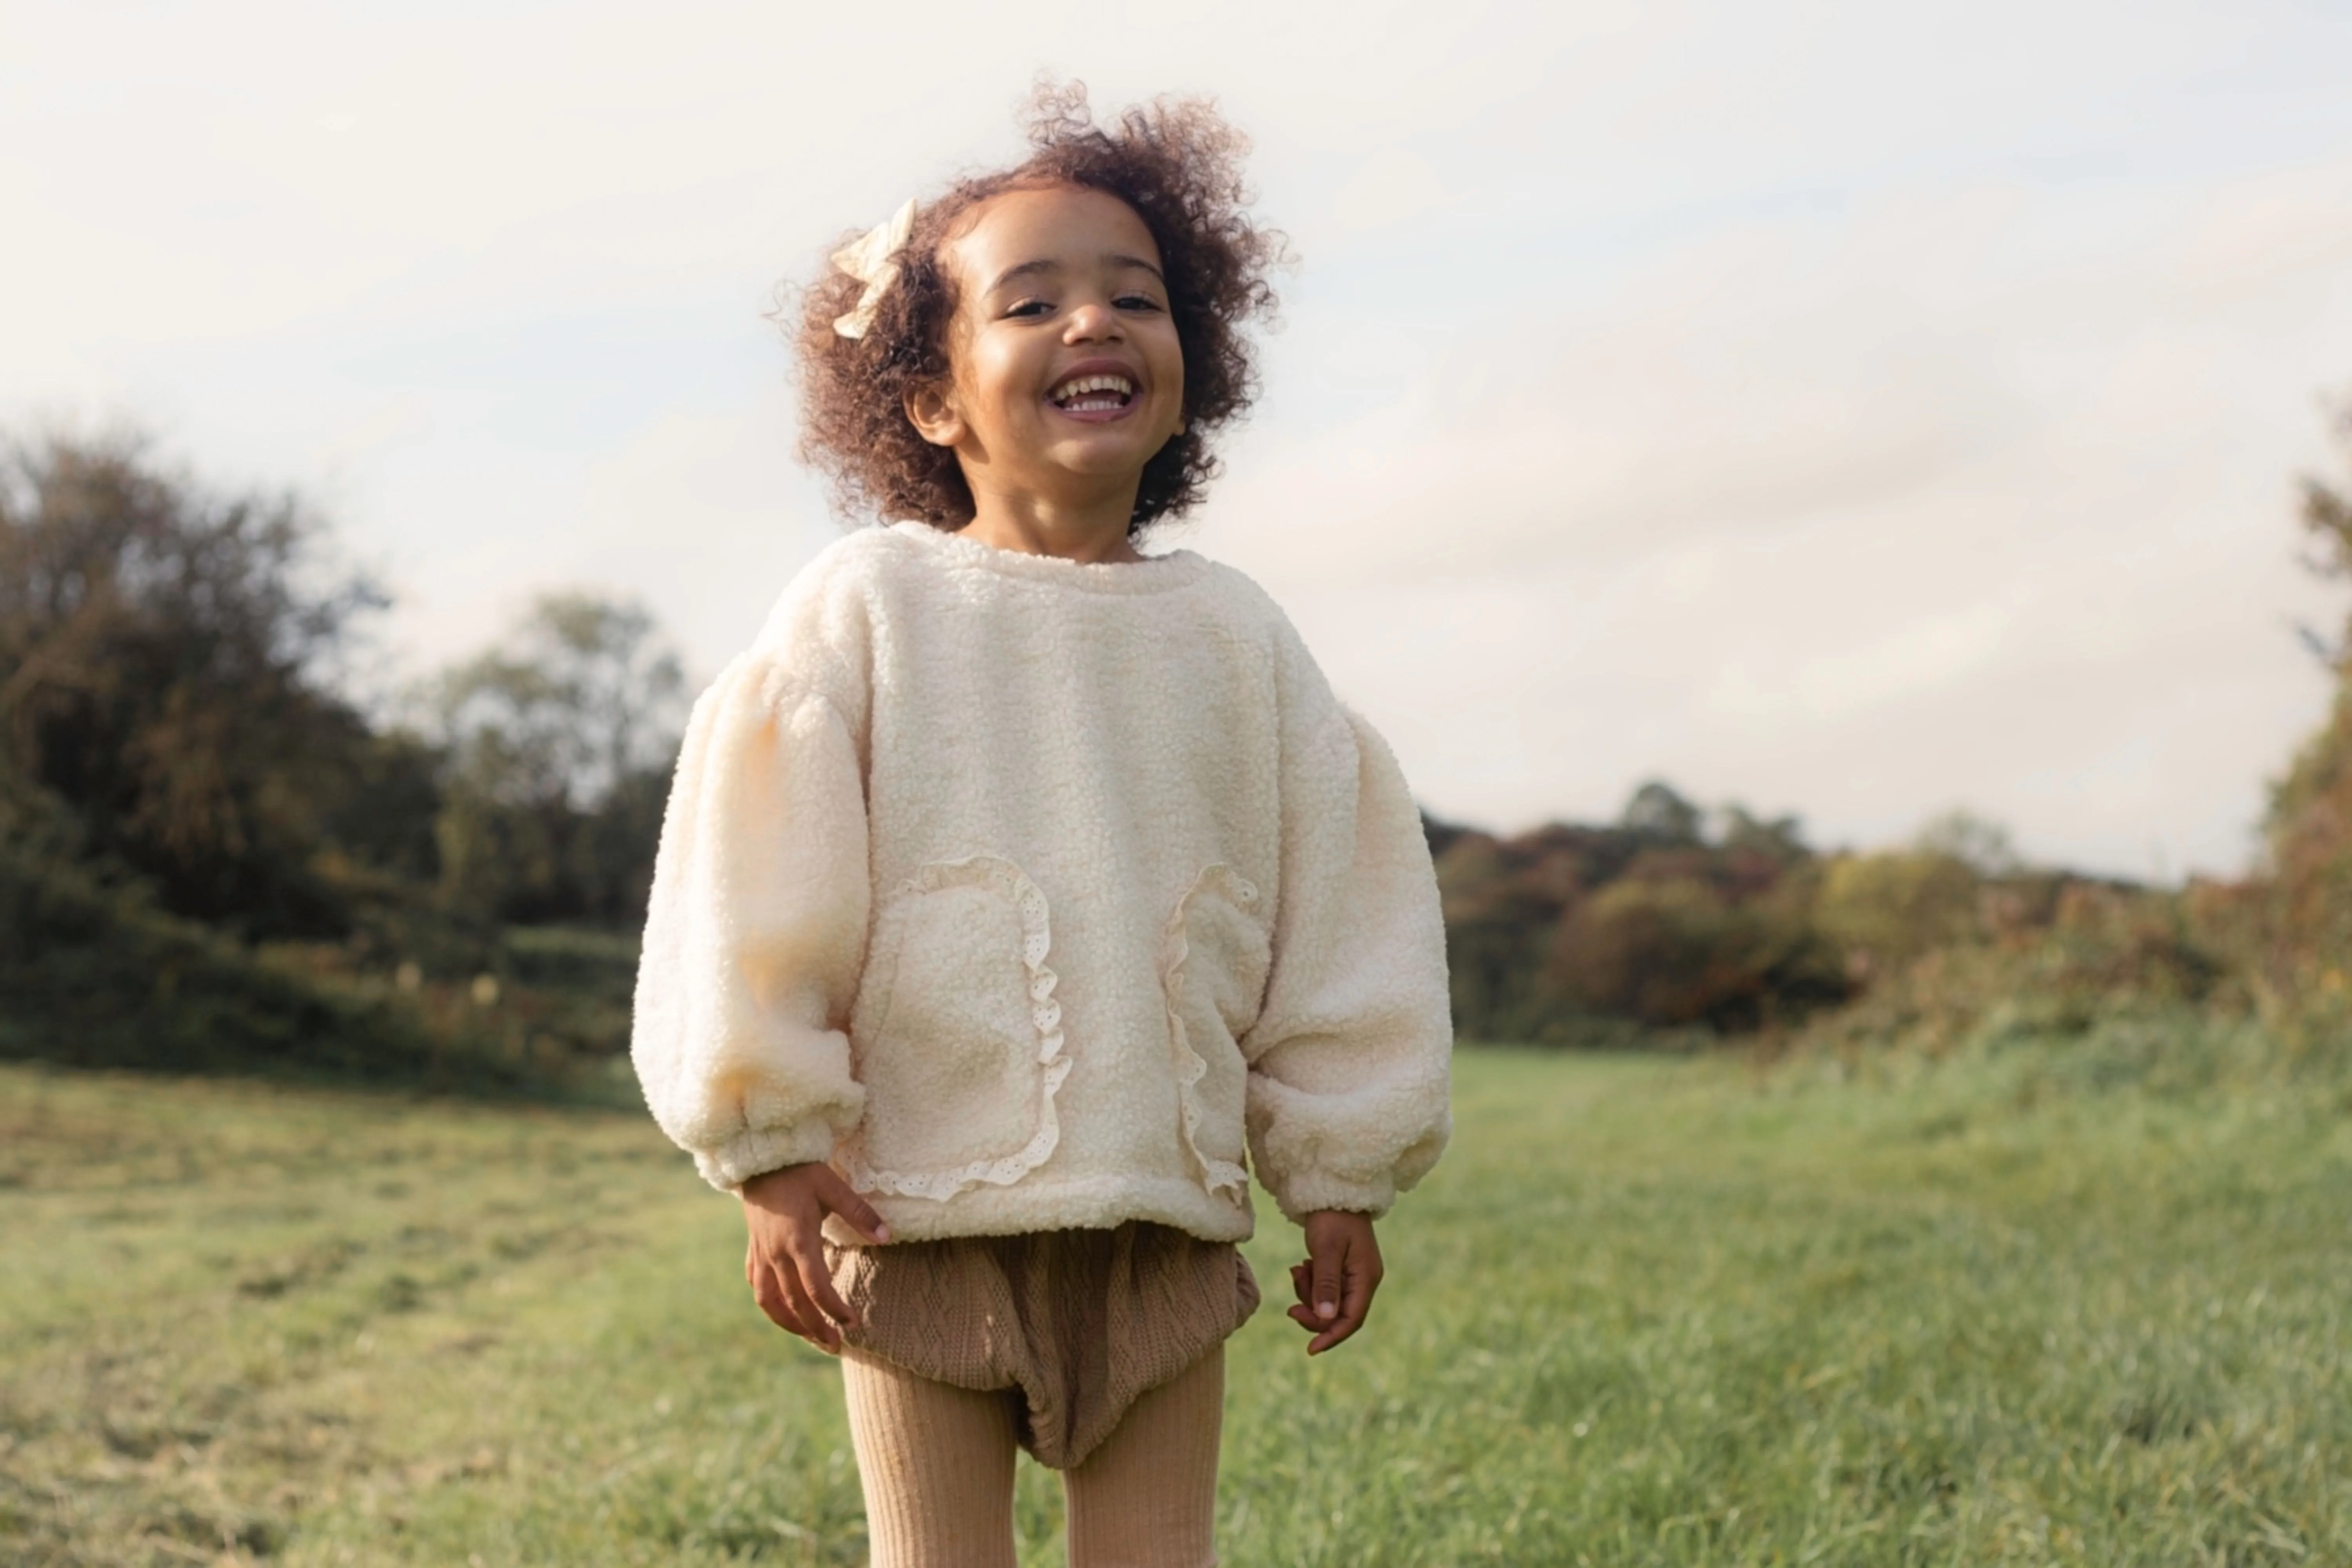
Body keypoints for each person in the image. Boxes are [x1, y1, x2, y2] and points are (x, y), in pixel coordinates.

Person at [630, 84, 1453, 1568]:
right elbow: (757, 876)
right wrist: (768, 1134)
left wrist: (1337, 1168)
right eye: (1033, 302)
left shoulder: (1236, 638)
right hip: (913, 1207)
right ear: (933, 398)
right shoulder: (871, 609)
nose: (1094, 323)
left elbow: (1338, 905)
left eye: (1134, 297)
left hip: (1159, 1213)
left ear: (1190, 361)